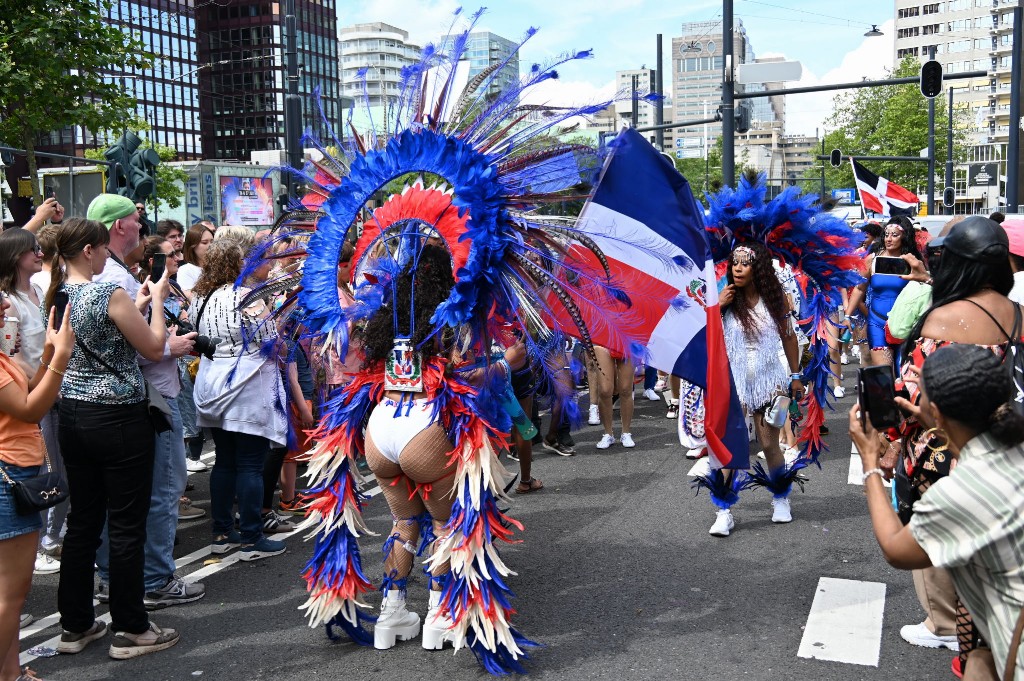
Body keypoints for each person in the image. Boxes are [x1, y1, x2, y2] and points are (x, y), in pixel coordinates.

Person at [48, 217, 180, 659]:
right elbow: (155, 347)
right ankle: (131, 627)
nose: (107, 254)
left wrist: (137, 306)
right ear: (88, 250)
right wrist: (157, 303)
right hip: (119, 420)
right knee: (125, 524)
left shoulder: (58, 294)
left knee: (83, 523)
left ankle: (76, 625)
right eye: (102, 248)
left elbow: (100, 340)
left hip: (73, 416)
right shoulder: (108, 292)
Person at [850, 343, 1024, 678]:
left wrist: (870, 462)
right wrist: (937, 422)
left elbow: (896, 549)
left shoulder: (961, 491)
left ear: (937, 411)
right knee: (977, 663)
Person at [891, 216, 1016, 659]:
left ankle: (942, 620)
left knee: (932, 533)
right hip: (1005, 447)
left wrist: (885, 446)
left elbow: (911, 393)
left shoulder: (945, 317)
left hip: (945, 446)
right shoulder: (1017, 313)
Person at [86, 197, 204, 612]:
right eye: (137, 221)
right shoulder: (112, 277)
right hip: (148, 398)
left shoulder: (103, 274)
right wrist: (169, 343)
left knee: (115, 495)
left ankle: (110, 577)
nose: (143, 227)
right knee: (162, 488)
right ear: (119, 227)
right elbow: (134, 347)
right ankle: (155, 579)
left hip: (117, 402)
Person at [190, 240, 288, 561]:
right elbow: (272, 344)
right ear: (238, 264)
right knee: (249, 464)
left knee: (224, 461)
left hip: (212, 386)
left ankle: (221, 530)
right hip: (246, 389)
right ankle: (251, 536)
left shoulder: (200, 300)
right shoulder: (250, 298)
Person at [0, 291, 72, 681]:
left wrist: (47, 353)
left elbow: (29, 391)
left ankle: (11, 672)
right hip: (6, 476)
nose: (5, 306)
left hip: (16, 474)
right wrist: (60, 356)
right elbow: (31, 409)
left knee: (10, 597)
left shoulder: (2, 359)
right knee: (10, 595)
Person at [711, 243, 805, 536]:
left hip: (770, 381)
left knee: (768, 445)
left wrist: (795, 375)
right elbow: (706, 337)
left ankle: (780, 498)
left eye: (745, 263)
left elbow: (789, 338)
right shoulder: (723, 298)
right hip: (734, 381)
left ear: (759, 268)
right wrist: (718, 307)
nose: (737, 268)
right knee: (732, 448)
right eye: (734, 263)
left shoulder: (776, 300)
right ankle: (724, 511)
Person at [0, 228, 67, 576]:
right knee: (35, 475)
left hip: (48, 384)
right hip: (29, 390)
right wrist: (43, 377)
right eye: (32, 250)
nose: (40, 254)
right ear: (15, 256)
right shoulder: (6, 299)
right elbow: (12, 355)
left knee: (53, 470)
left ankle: (50, 534)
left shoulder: (37, 290)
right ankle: (41, 541)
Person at [845, 216, 922, 370]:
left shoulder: (912, 262)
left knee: (902, 375)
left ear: (904, 237)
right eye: (886, 234)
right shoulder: (871, 260)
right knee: (885, 374)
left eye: (894, 235)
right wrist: (847, 316)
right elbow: (859, 289)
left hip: (905, 325)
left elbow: (924, 291)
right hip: (877, 323)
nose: (889, 239)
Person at [589, 346, 636, 449]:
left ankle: (626, 432)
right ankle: (608, 434)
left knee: (626, 389)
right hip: (602, 338)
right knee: (605, 390)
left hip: (627, 337)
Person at [177, 222, 214, 296]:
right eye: (204, 242)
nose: (210, 246)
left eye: (212, 241)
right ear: (192, 246)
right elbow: (191, 299)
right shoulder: (186, 270)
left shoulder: (220, 267)